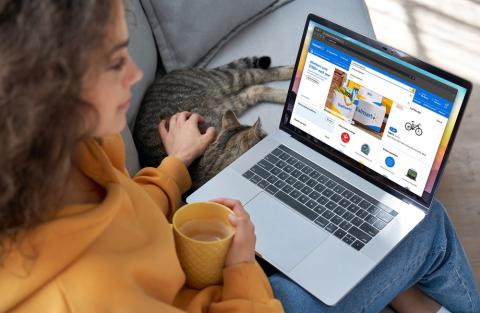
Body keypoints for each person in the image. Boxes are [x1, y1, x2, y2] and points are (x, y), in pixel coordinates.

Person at [0, 1, 478, 313]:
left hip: (201, 267)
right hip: (244, 298)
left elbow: (119, 217)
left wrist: (173, 167)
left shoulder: (72, 146)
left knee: (351, 245)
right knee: (425, 225)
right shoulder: (85, 297)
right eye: (114, 61)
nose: (135, 73)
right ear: (50, 92)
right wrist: (242, 266)